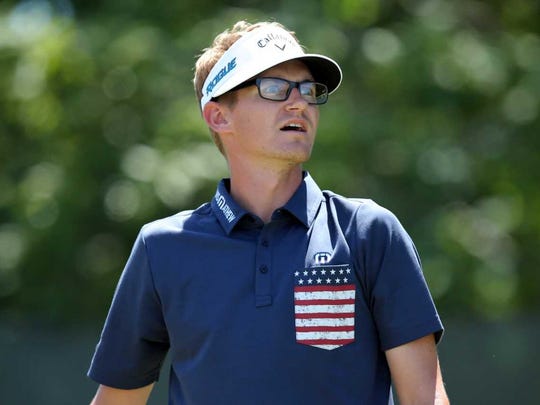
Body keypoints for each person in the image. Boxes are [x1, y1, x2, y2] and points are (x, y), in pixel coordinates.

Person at [88, 20, 449, 405]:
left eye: (309, 90)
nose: (299, 103)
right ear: (218, 116)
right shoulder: (161, 248)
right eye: (274, 88)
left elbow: (425, 399)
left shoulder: (369, 232)